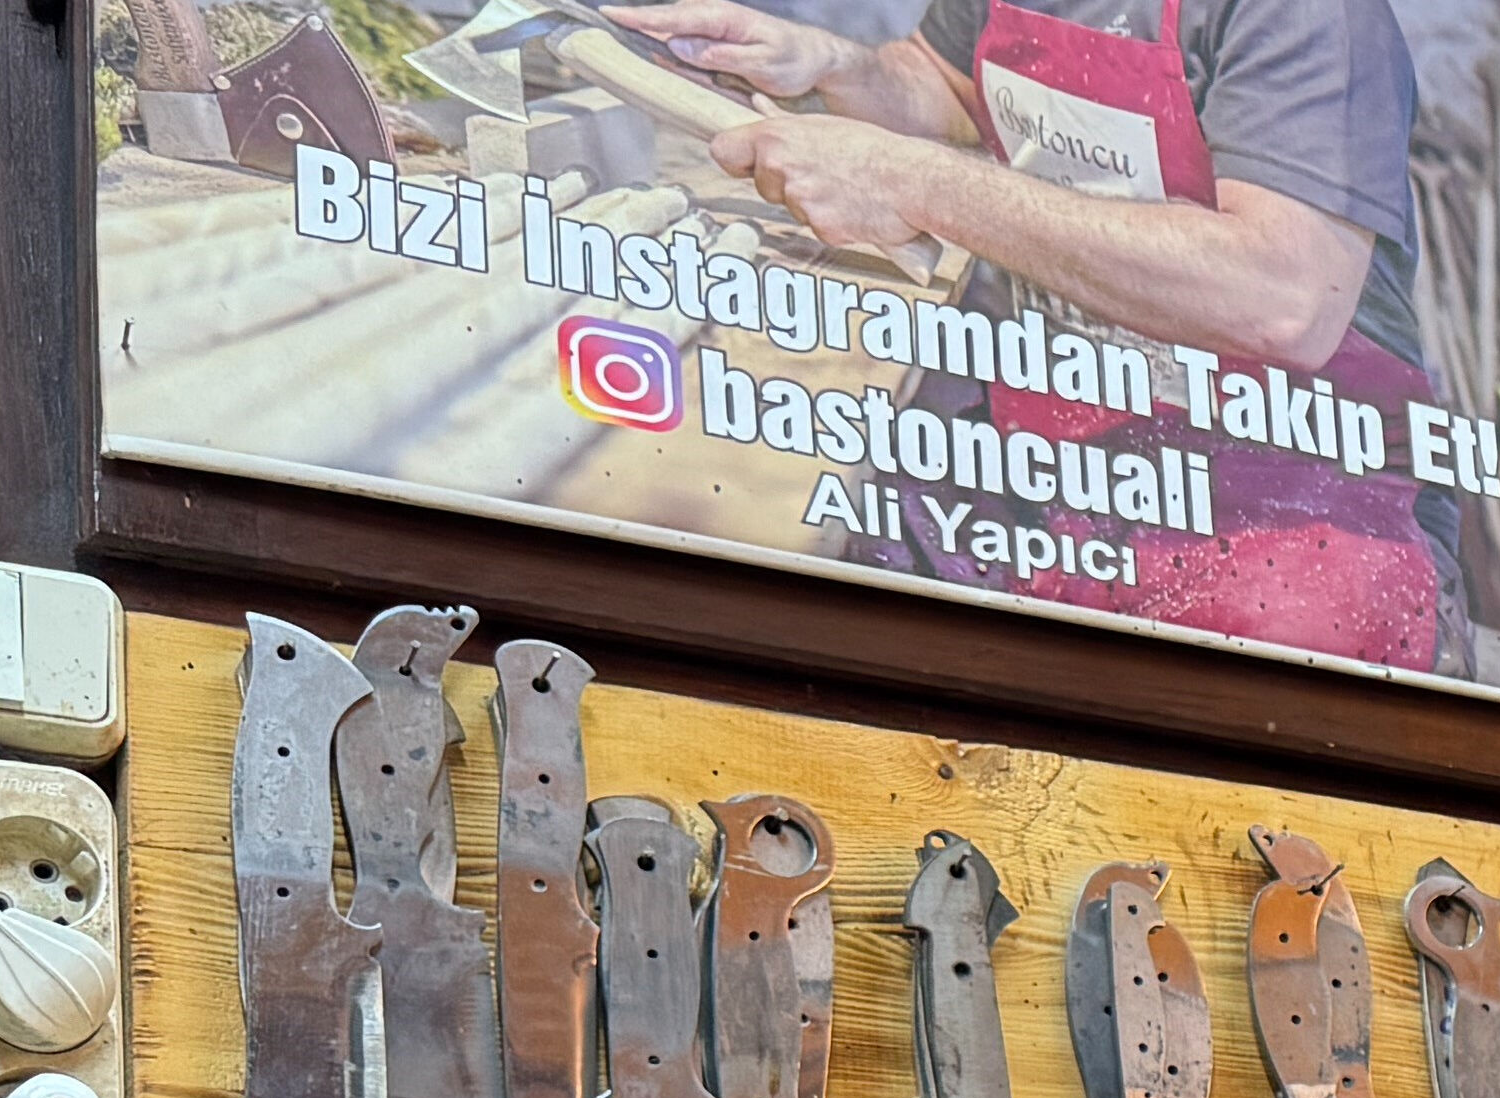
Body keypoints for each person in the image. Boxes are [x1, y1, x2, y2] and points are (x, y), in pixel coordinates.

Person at [612, 0, 1451, 666]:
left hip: (1294, 496)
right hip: (1065, 462)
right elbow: (949, 91)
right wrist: (837, 66)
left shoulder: (1310, 15)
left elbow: (1283, 294)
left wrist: (909, 181)